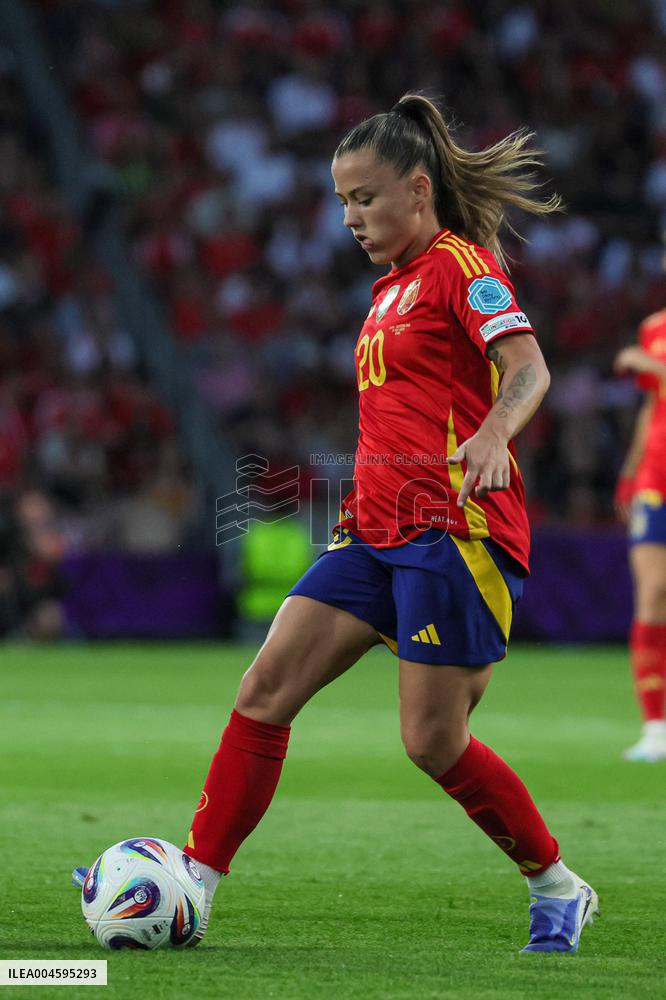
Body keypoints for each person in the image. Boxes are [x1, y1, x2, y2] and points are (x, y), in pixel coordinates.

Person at [74, 94, 599, 953]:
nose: (350, 217)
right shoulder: (389, 288)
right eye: (341, 201)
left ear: (418, 192)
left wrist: (497, 431)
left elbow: (528, 367)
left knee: (432, 742)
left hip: (452, 533)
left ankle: (557, 886)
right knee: (264, 690)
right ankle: (194, 886)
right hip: (374, 532)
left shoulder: (461, 266)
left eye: (364, 198)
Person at [614, 298, 666, 762]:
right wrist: (632, 471)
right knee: (652, 594)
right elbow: (654, 405)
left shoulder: (648, 346)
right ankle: (655, 727)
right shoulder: (655, 326)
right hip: (657, 478)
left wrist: (646, 363)